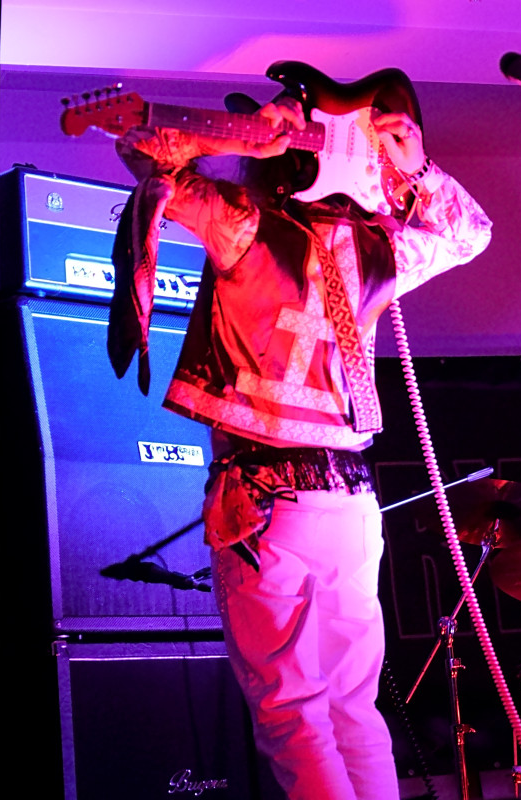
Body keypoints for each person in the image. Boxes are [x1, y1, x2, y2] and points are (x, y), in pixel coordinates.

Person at [107, 74, 492, 800]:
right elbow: (472, 233)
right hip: (349, 507)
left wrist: (247, 136)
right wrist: (417, 170)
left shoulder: (245, 221)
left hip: (264, 503)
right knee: (354, 709)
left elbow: (143, 152)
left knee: (292, 713)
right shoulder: (380, 247)